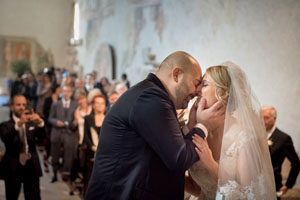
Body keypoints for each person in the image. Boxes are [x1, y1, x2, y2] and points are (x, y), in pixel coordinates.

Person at [85, 51, 225, 200]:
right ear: (176, 74)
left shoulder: (151, 94)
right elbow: (179, 158)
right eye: (196, 83)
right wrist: (203, 125)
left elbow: (165, 152)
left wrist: (190, 126)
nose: (197, 92)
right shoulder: (151, 98)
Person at [186, 62, 276, 199]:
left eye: (204, 85)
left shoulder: (244, 137)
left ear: (224, 93)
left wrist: (211, 164)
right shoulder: (197, 130)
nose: (197, 90)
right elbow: (197, 188)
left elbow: (247, 195)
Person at [0, 95, 44, 200]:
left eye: (24, 104)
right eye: (18, 105)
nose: (22, 107)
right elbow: (6, 138)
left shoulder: (32, 124)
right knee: (11, 196)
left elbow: (42, 139)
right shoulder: (5, 125)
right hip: (13, 166)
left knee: (34, 197)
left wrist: (40, 123)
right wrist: (19, 123)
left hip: (31, 165)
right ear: (12, 107)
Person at [261, 106, 300, 198]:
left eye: (266, 118)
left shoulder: (284, 138)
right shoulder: (255, 135)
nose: (263, 121)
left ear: (274, 119)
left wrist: (288, 185)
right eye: (261, 117)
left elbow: (296, 163)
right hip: (255, 183)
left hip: (274, 184)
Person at [48, 85, 77, 183]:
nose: (66, 93)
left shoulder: (75, 104)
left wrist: (73, 123)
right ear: (61, 93)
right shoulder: (56, 104)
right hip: (57, 132)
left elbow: (76, 120)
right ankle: (55, 174)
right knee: (55, 154)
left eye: (68, 91)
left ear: (71, 93)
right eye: (64, 91)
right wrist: (56, 122)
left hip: (69, 133)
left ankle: (65, 173)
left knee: (68, 155)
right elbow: (50, 118)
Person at [82, 94, 106, 195]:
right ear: (93, 105)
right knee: (89, 177)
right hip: (91, 153)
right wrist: (92, 146)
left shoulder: (109, 118)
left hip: (105, 154)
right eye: (97, 103)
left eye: (102, 103)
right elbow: (86, 136)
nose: (100, 105)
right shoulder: (88, 118)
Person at [69, 91, 92, 195]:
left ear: (86, 99)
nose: (81, 101)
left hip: (89, 140)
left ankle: (85, 186)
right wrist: (75, 120)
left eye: (82, 98)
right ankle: (73, 184)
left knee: (86, 164)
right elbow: (71, 127)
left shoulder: (92, 110)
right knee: (75, 162)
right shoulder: (76, 111)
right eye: (78, 99)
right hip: (78, 140)